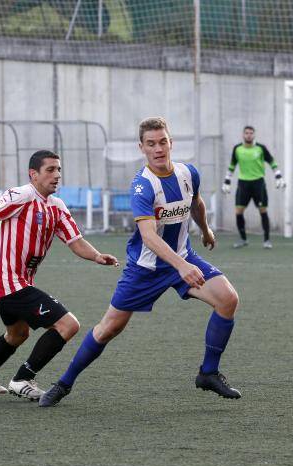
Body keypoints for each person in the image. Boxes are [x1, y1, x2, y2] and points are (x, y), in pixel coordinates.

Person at [39, 117, 242, 407]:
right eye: (151, 144)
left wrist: (205, 230)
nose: (158, 149)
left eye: (162, 142)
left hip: (182, 257)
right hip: (145, 269)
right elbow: (148, 236)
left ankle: (208, 372)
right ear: (142, 148)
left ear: (171, 142)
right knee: (108, 328)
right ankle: (64, 383)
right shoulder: (142, 186)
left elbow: (196, 202)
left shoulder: (188, 173)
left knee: (228, 299)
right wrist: (181, 266)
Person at [0, 150, 119, 401]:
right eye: (50, 170)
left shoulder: (57, 207)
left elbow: (75, 241)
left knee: (17, 335)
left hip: (18, 284)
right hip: (7, 284)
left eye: (59, 170)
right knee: (68, 325)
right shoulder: (22, 195)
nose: (57, 175)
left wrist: (97, 256)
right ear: (33, 174)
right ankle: (23, 379)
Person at [221, 125, 285, 249]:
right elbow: (232, 166)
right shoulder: (237, 149)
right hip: (243, 184)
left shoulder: (261, 148)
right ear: (243, 135)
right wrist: (227, 182)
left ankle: (267, 240)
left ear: (254, 135)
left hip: (258, 184)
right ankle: (243, 239)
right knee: (238, 211)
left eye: (251, 133)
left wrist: (278, 176)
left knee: (263, 211)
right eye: (246, 133)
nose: (249, 135)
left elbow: (272, 162)